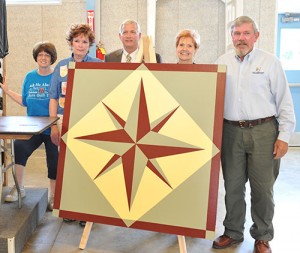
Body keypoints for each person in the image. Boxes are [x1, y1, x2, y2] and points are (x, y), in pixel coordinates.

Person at [212, 16, 295, 253]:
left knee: (262, 188)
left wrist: (284, 137)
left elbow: (285, 103)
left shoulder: (270, 63)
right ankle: (232, 232)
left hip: (264, 131)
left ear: (256, 36)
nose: (241, 38)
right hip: (230, 132)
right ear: (232, 37)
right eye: (237, 34)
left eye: (246, 33)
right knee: (233, 186)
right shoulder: (222, 62)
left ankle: (262, 236)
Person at [49, 23, 102, 226]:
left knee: (88, 168)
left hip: (90, 123)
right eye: (77, 41)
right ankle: (70, 208)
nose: (80, 45)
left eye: (85, 41)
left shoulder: (98, 64)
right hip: (64, 122)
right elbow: (53, 98)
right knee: (68, 168)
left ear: (90, 45)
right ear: (71, 43)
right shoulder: (61, 66)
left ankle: (87, 212)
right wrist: (54, 125)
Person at [0, 42, 58, 211]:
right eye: (40, 55)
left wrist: (57, 124)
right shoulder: (29, 77)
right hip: (32, 128)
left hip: (51, 127)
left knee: (53, 159)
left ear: (52, 58)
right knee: (19, 146)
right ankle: (19, 188)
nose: (43, 58)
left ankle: (53, 196)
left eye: (47, 55)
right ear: (36, 58)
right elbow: (25, 101)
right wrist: (7, 91)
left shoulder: (56, 77)